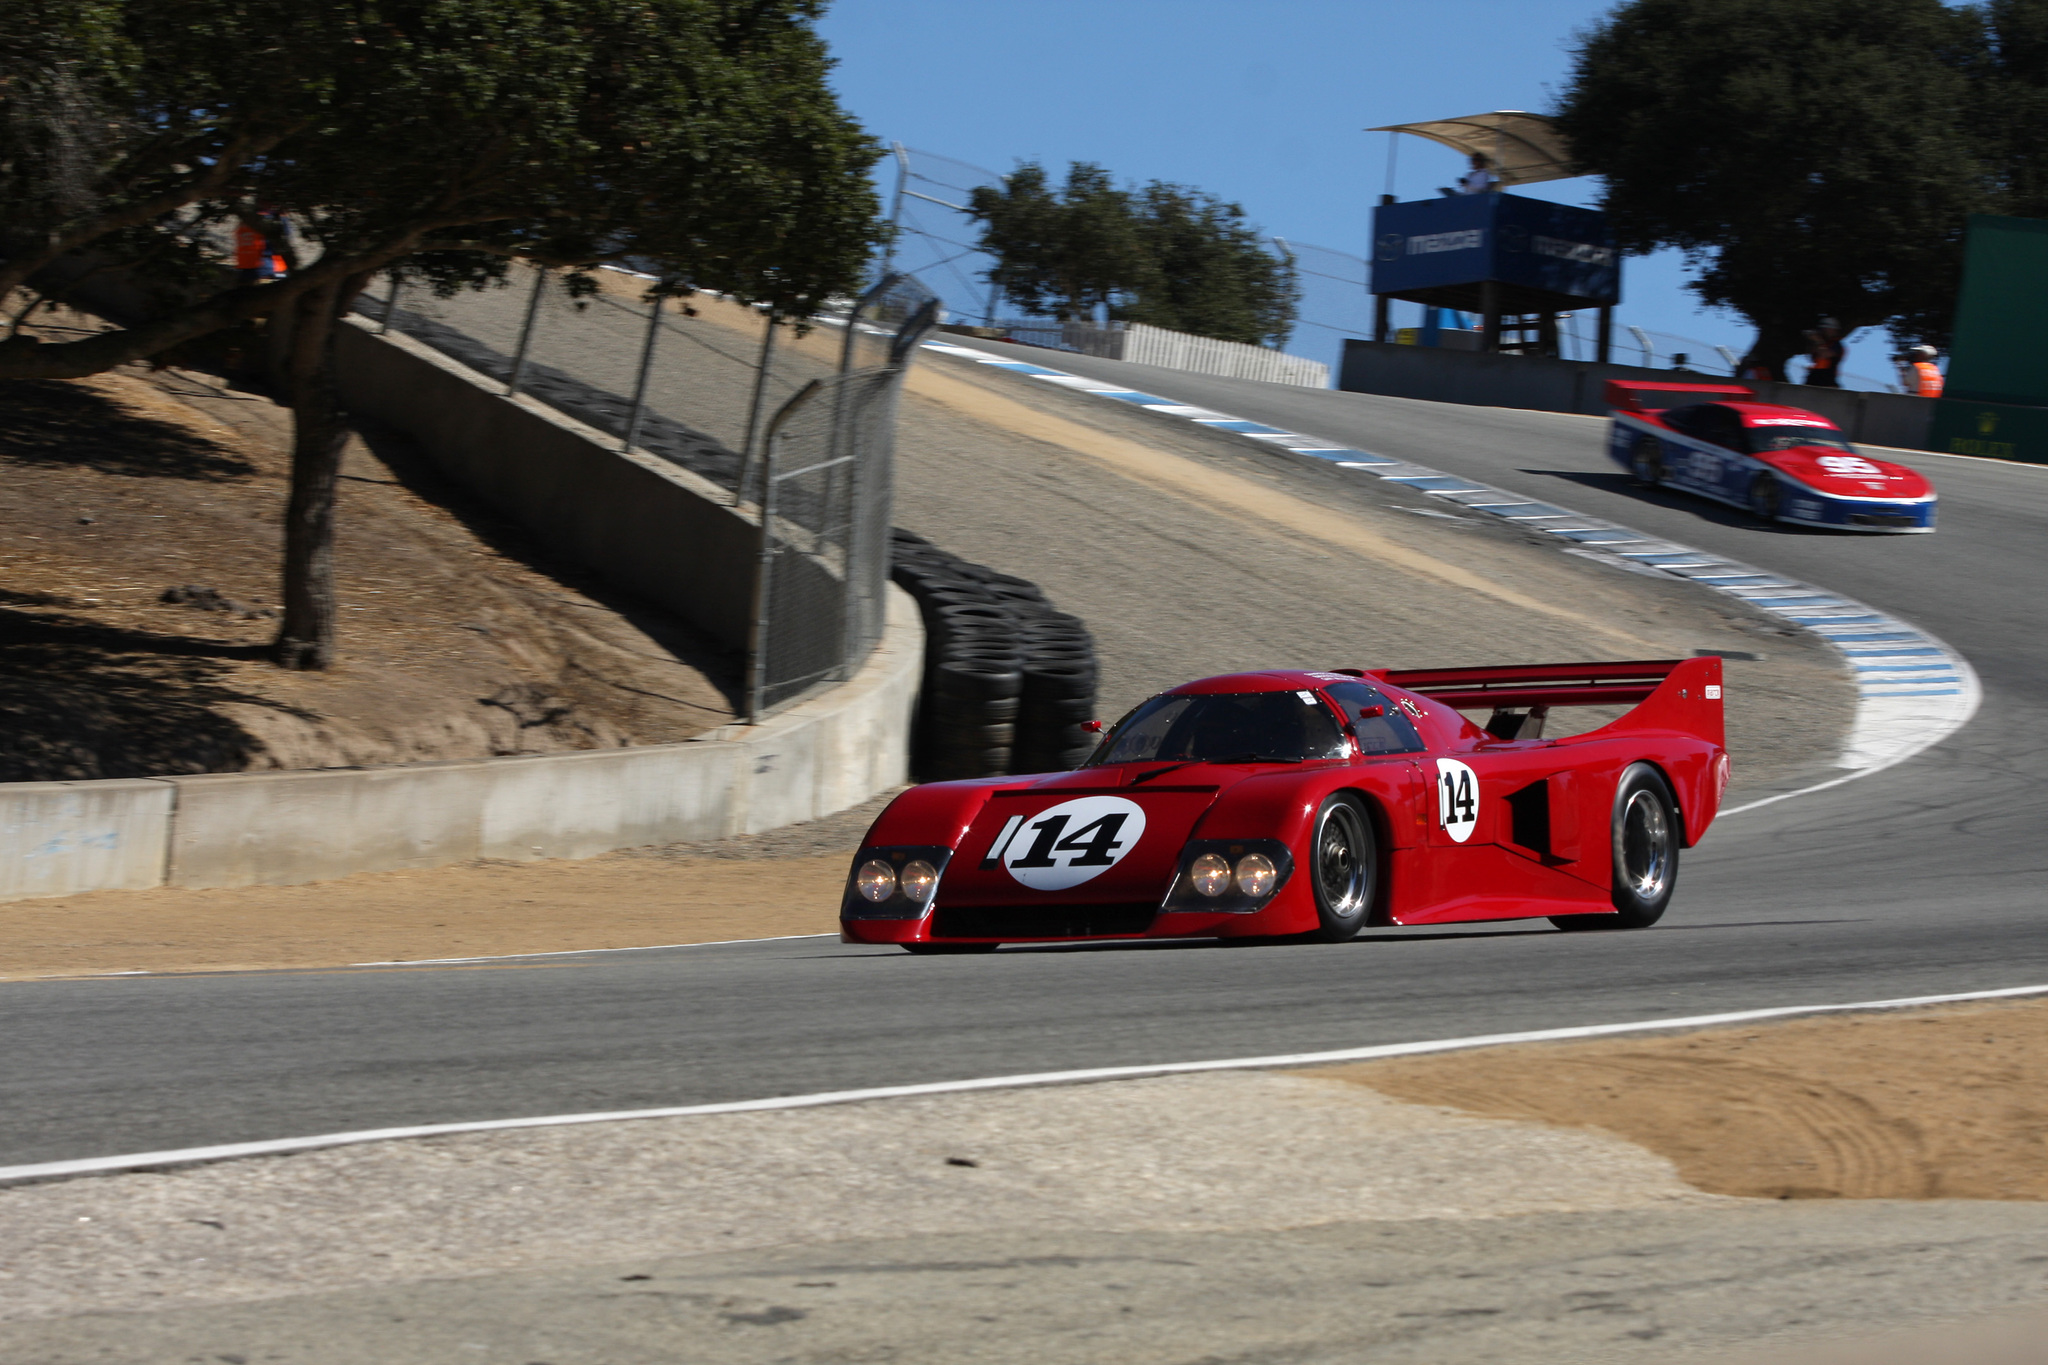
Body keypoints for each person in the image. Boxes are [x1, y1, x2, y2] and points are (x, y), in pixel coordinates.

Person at [1802, 317, 1845, 388]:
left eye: (1826, 329)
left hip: (1827, 381)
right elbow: (1813, 356)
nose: (1824, 331)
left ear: (1833, 330)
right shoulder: (1825, 343)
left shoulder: (1836, 344)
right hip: (1814, 379)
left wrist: (1818, 341)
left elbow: (1824, 354)